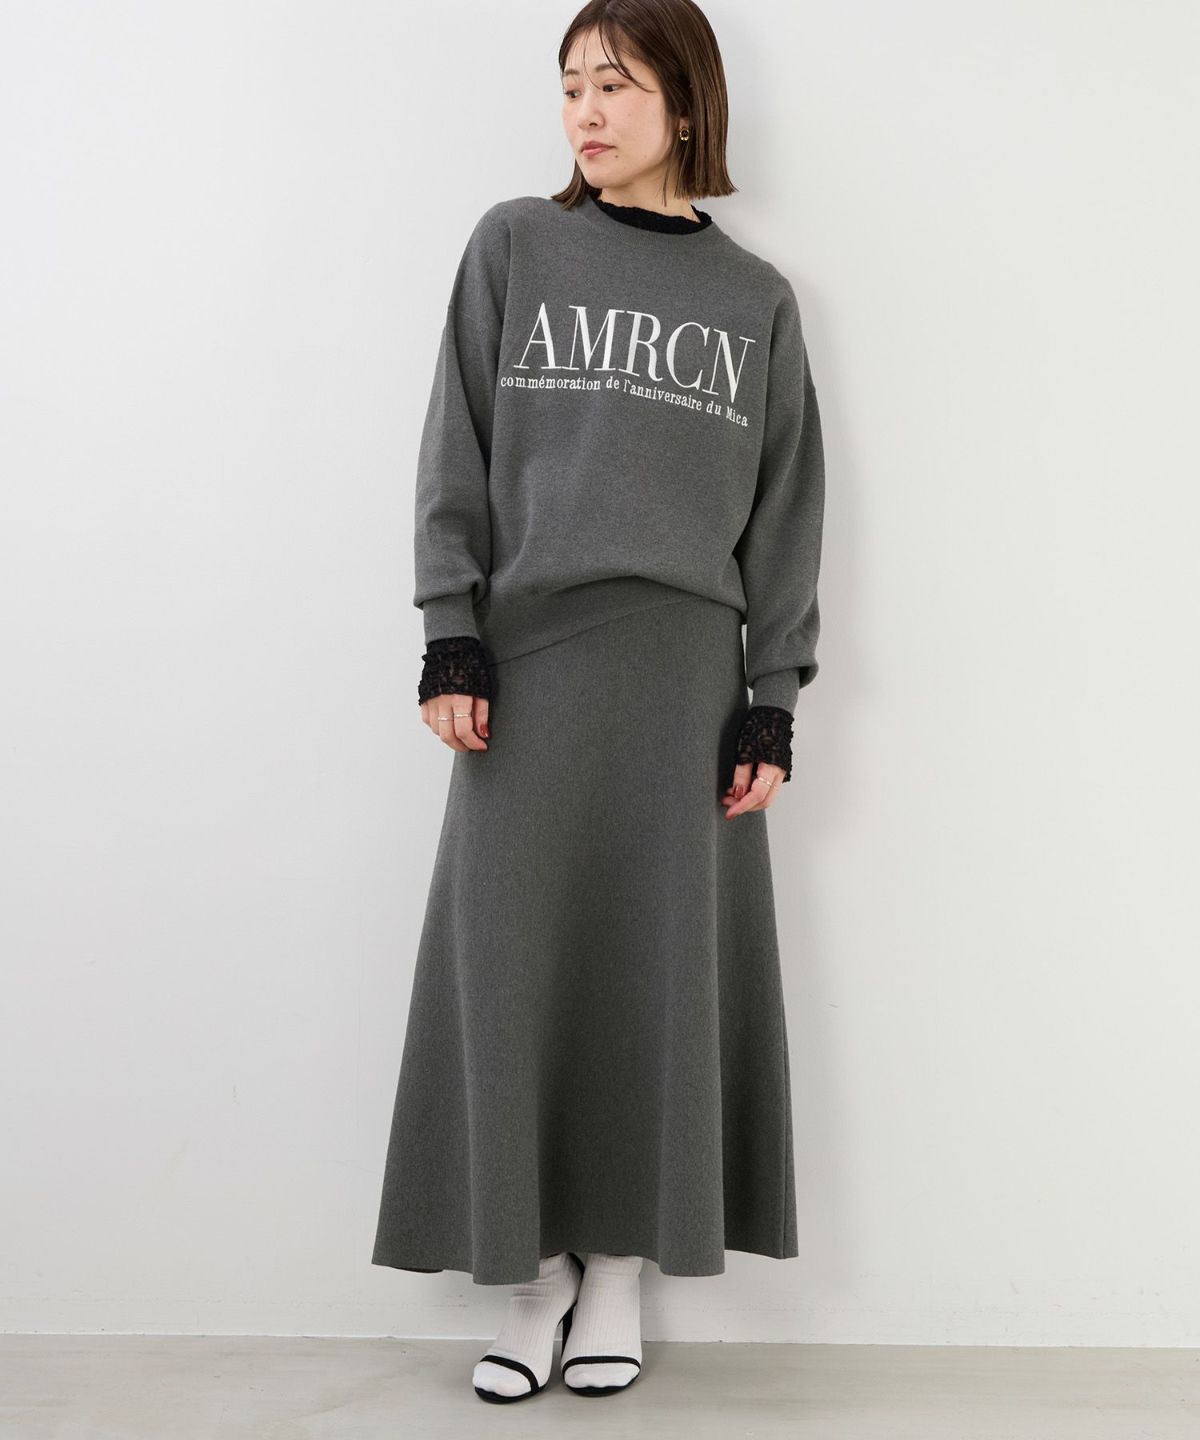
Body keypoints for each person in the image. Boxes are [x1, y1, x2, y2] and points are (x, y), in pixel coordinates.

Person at [371, 0, 827, 1404]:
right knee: (509, 967)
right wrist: (452, 633)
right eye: (571, 83)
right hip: (529, 665)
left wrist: (770, 696)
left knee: (657, 975)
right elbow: (456, 444)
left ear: (685, 103)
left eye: (616, 85)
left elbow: (787, 509)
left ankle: (617, 1272)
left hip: (682, 678)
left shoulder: (754, 298)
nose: (585, 109)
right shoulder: (515, 244)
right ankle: (530, 1282)